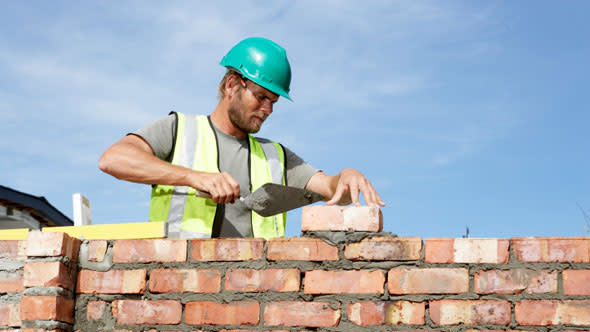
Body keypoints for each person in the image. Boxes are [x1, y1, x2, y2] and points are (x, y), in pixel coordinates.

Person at [99, 37, 384, 239]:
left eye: (274, 101)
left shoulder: (276, 156)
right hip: (178, 291)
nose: (268, 109)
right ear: (233, 84)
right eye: (261, 97)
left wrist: (346, 177)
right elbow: (113, 160)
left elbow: (333, 189)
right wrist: (194, 177)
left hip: (251, 302)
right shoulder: (179, 130)